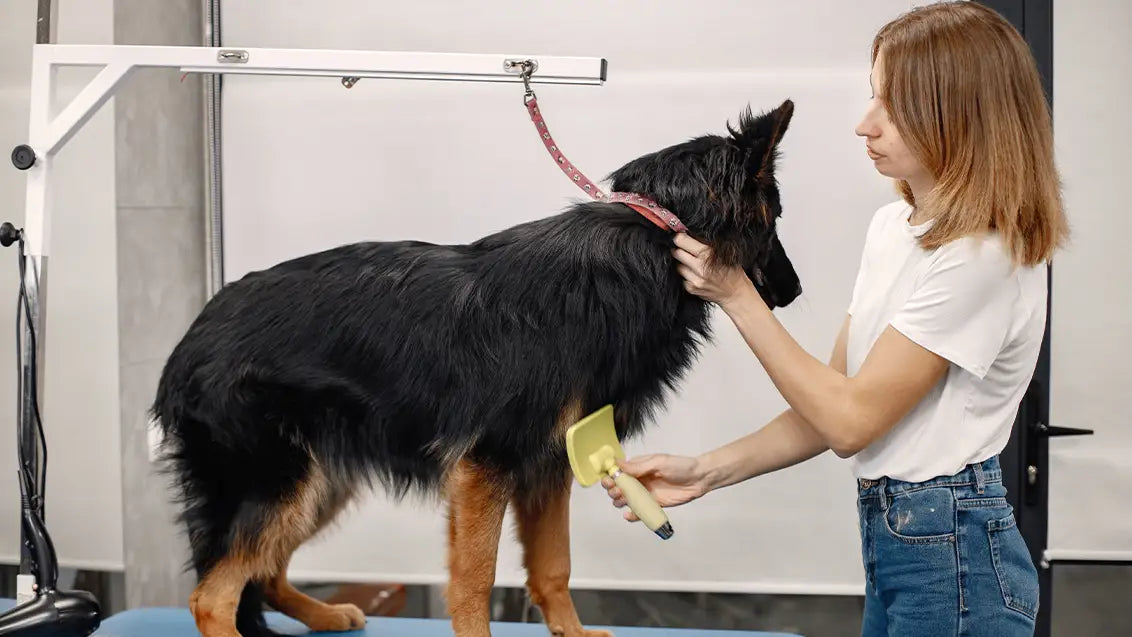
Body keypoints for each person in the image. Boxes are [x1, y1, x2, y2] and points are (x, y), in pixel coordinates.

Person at [601, 2, 1068, 636]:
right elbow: (830, 405)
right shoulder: (894, 230)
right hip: (900, 541)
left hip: (956, 559)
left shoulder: (982, 257)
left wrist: (737, 294)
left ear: (959, 117)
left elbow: (850, 422)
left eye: (892, 108)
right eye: (871, 99)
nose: (863, 126)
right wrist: (705, 470)